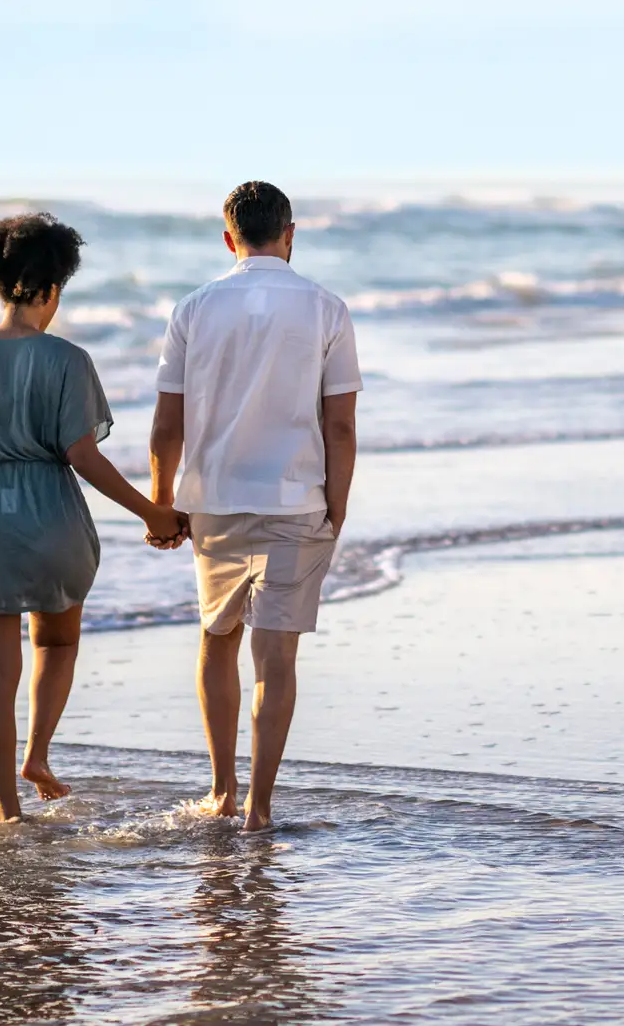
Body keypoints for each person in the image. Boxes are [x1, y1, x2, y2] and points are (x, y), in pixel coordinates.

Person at [0, 212, 186, 821]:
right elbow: (81, 455)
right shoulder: (68, 359)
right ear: (54, 288)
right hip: (51, 520)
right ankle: (37, 754)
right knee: (57, 641)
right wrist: (153, 511)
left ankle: (7, 811)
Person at [148, 180, 361, 832]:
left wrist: (162, 500)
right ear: (290, 233)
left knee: (217, 640)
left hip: (213, 500)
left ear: (228, 237)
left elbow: (167, 423)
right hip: (297, 500)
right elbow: (341, 425)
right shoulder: (327, 307)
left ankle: (219, 788)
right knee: (277, 660)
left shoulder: (193, 308)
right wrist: (338, 506)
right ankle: (258, 809)